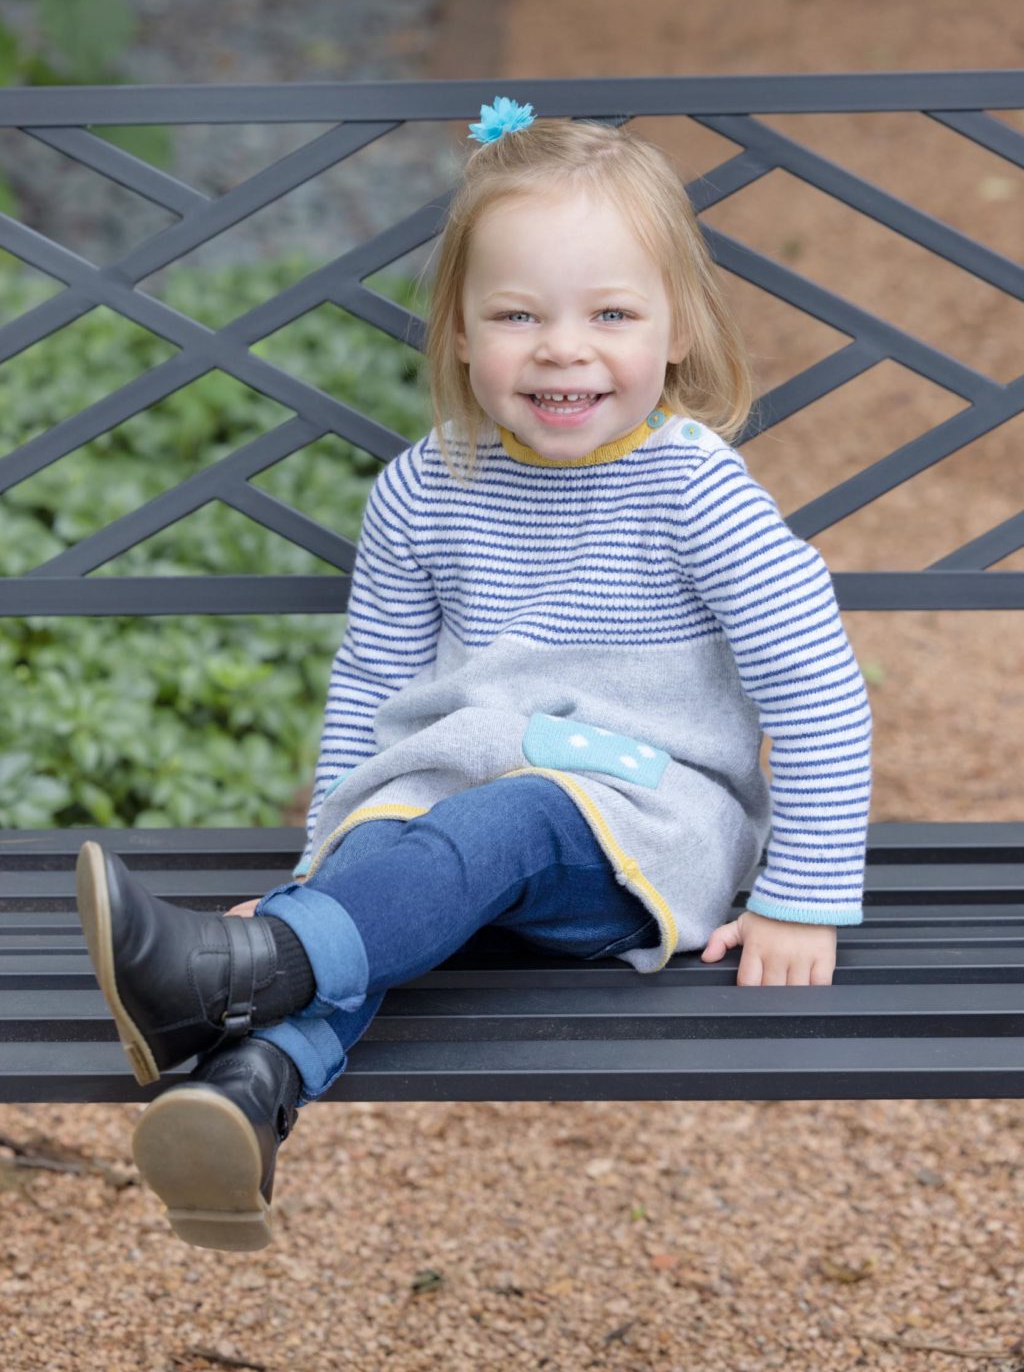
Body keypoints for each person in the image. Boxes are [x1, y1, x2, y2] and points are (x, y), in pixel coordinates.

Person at [76, 96, 873, 1255]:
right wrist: (323, 870)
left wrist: (799, 895)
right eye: (516, 313)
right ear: (456, 330)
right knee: (412, 849)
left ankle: (249, 968)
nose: (562, 347)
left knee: (508, 822)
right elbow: (373, 695)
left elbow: (817, 685)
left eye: (610, 312)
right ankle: (246, 1098)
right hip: (450, 819)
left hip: (640, 831)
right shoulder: (422, 488)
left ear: (678, 328)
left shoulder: (695, 492)